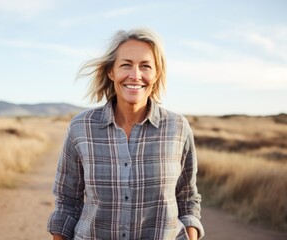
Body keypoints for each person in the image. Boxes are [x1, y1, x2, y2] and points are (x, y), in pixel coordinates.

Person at [47, 28, 205, 240]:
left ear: (156, 73)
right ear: (111, 71)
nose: (135, 75)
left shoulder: (177, 128)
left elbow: (187, 199)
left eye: (145, 66)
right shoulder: (81, 127)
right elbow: (67, 203)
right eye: (126, 65)